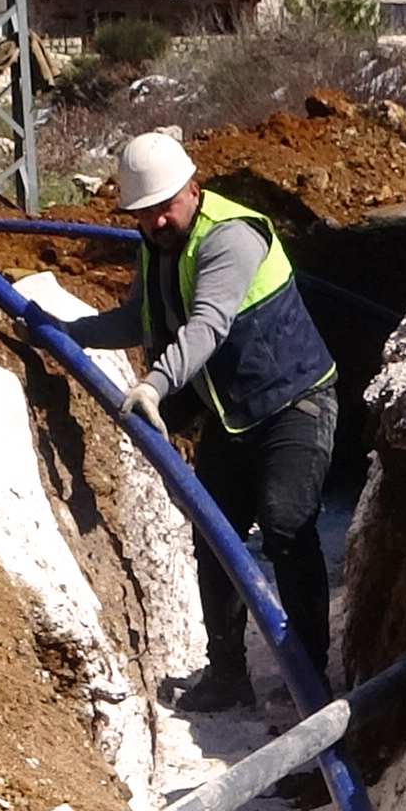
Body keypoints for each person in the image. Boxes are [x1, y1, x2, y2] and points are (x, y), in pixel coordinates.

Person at [53, 129, 339, 712]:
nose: (156, 222)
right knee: (215, 535)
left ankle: (310, 677)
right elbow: (141, 318)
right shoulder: (158, 246)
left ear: (192, 187)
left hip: (294, 402)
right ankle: (228, 674)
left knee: (285, 527)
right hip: (231, 416)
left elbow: (207, 323)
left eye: (165, 207)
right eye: (143, 213)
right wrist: (61, 333)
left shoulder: (229, 237)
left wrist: (154, 386)